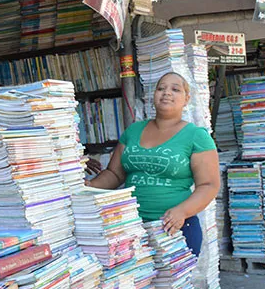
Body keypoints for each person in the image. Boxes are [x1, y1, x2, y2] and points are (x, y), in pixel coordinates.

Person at [85, 71, 220, 257]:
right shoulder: (133, 131)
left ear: (186, 99)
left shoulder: (196, 136)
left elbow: (209, 185)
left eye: (175, 89)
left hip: (174, 229)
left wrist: (182, 211)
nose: (167, 93)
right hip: (130, 228)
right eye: (161, 88)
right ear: (153, 96)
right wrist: (90, 186)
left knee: (170, 277)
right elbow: (115, 174)